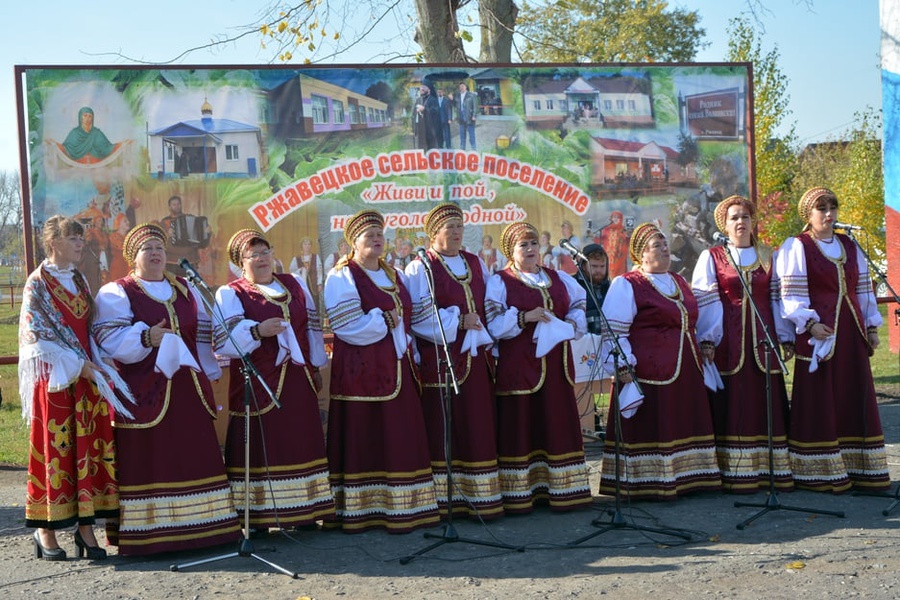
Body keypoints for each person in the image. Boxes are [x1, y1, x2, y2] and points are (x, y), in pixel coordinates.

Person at [93, 223, 240, 555]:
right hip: (144, 390)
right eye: (147, 248)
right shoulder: (117, 292)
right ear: (133, 257)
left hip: (188, 387)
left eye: (159, 247)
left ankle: (206, 530)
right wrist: (147, 337)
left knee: (193, 453)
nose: (156, 253)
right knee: (155, 459)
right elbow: (110, 341)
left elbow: (202, 336)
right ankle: (151, 536)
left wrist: (210, 369)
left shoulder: (186, 288)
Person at [19, 216, 133, 561]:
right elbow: (36, 337)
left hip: (87, 380)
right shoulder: (36, 284)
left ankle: (86, 529)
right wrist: (77, 365)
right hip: (57, 383)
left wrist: (97, 362)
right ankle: (46, 529)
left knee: (89, 452)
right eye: (73, 238)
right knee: (57, 454)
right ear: (54, 243)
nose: (80, 244)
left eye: (81, 238)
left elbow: (88, 329)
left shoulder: (81, 279)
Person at [323, 209, 439, 533]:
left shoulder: (394, 275)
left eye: (379, 235)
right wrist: (383, 321)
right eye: (368, 236)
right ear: (353, 243)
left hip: (398, 367)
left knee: (400, 435)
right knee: (367, 436)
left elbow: (409, 318)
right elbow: (347, 326)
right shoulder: (342, 276)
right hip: (361, 373)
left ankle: (404, 507)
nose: (376, 240)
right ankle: (362, 510)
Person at [215, 229, 335, 531]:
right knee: (263, 443)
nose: (261, 258)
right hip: (257, 383)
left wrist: (314, 367)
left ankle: (304, 511)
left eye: (265, 251)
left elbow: (310, 329)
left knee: (299, 440)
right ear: (241, 263)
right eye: (253, 254)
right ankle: (258, 515)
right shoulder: (231, 293)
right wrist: (257, 331)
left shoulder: (294, 284)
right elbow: (224, 341)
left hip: (296, 378)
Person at [774, 187, 890, 493]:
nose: (828, 213)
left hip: (851, 333)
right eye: (821, 208)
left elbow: (863, 290)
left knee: (853, 394)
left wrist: (872, 327)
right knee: (821, 399)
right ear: (808, 216)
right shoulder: (797, 246)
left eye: (832, 207)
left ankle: (859, 467)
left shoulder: (850, 245)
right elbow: (790, 296)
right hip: (820, 336)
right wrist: (810, 324)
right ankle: (820, 471)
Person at [599, 222, 721, 500]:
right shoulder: (628, 284)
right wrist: (622, 364)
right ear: (641, 254)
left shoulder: (678, 281)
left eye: (665, 244)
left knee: (683, 420)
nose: (665, 249)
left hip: (687, 368)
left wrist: (705, 344)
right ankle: (649, 482)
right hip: (650, 371)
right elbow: (614, 331)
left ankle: (690, 478)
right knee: (657, 425)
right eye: (657, 246)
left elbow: (691, 320)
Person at [484, 221, 592, 513]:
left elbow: (579, 304)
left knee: (555, 422)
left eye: (533, 244)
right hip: (519, 366)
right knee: (522, 425)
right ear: (511, 251)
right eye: (523, 245)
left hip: (556, 365)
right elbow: (493, 325)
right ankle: (521, 494)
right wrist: (524, 317)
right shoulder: (500, 281)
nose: (531, 249)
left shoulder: (558, 278)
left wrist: (570, 323)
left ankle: (561, 490)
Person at [405, 203, 503, 520]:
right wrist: (459, 322)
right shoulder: (421, 267)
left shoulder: (475, 262)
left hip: (476, 360)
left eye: (460, 226)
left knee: (477, 424)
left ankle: (481, 497)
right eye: (450, 227)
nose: (457, 232)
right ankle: (443, 502)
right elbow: (417, 316)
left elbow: (489, 307)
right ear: (434, 233)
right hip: (441, 361)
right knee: (443, 427)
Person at [691, 196, 794, 493]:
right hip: (729, 342)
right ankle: (735, 472)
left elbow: (777, 297)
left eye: (745, 217)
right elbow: (706, 299)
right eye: (734, 218)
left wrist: (784, 336)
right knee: (734, 405)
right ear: (725, 224)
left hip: (764, 340)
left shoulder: (766, 254)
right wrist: (708, 339)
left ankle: (769, 469)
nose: (740, 222)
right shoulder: (713, 256)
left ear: (753, 222)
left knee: (765, 404)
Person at [570, 243, 611, 435]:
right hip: (580, 345)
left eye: (602, 266)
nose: (598, 271)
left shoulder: (611, 287)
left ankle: (613, 428)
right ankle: (586, 430)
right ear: (583, 265)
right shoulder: (571, 285)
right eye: (594, 266)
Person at [160, 195, 211, 278]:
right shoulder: (164, 222)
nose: (177, 206)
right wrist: (167, 234)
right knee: (174, 286)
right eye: (174, 204)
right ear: (169, 207)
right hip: (172, 262)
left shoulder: (191, 218)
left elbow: (202, 242)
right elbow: (160, 240)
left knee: (190, 285)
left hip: (190, 260)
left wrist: (207, 233)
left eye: (178, 204)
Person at [598, 210, 630, 279]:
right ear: (611, 219)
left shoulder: (624, 229)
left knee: (619, 278)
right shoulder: (606, 230)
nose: (615, 219)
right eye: (613, 217)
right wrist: (593, 237)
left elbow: (628, 242)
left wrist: (628, 235)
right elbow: (601, 241)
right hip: (608, 258)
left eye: (617, 217)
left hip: (619, 259)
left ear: (621, 219)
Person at [412, 84, 442, 151]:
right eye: (420, 87)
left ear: (429, 89)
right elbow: (414, 114)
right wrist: (414, 127)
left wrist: (425, 109)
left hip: (430, 129)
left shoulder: (433, 99)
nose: (421, 89)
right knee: (421, 149)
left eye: (424, 87)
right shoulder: (418, 100)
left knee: (431, 149)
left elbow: (436, 111)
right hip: (420, 129)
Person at [457, 82, 477, 150]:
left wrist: (474, 115)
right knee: (462, 136)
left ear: (466, 87)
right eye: (460, 87)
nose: (461, 88)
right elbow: (456, 105)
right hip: (461, 118)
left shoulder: (471, 95)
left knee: (471, 135)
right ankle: (462, 150)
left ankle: (474, 150)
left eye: (463, 86)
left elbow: (475, 106)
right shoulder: (458, 96)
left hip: (469, 118)